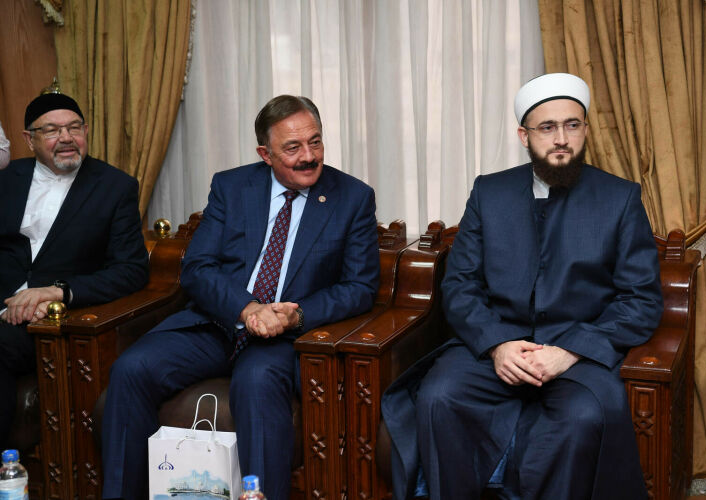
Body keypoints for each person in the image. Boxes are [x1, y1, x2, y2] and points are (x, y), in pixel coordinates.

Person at [381, 73, 664, 500]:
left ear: (586, 130)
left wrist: (569, 351)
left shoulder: (619, 198)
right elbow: (460, 284)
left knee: (584, 416)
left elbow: (640, 299)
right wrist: (497, 345)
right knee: (439, 395)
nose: (561, 139)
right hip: (494, 347)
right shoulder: (489, 192)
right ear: (524, 136)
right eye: (547, 127)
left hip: (579, 354)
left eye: (572, 125)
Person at [101, 95, 380, 500]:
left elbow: (359, 287)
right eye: (293, 147)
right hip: (218, 322)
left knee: (257, 381)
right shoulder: (232, 187)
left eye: (315, 142)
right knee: (132, 368)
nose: (309, 156)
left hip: (283, 336)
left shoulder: (351, 197)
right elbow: (197, 267)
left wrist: (295, 316)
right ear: (265, 154)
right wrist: (247, 308)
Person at [0, 92, 149, 449]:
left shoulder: (115, 187)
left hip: (48, 321)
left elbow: (131, 270)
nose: (66, 138)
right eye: (52, 130)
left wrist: (58, 292)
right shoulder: (7, 179)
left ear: (86, 131)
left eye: (74, 128)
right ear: (29, 139)